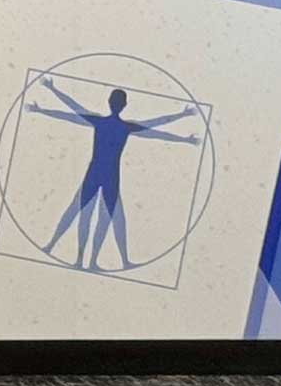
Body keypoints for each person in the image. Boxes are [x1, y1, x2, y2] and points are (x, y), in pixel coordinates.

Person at [28, 81, 202, 273]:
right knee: (106, 216)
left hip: (97, 172)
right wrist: (183, 127)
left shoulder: (102, 122)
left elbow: (72, 110)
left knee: (84, 212)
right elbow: (157, 128)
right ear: (124, 105)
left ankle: (73, 255)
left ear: (109, 102)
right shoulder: (125, 127)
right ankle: (92, 259)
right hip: (109, 174)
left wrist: (46, 102)